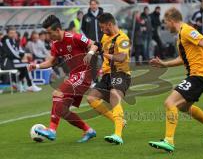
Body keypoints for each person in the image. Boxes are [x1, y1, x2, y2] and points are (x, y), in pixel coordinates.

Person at [148, 7, 203, 152]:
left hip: (199, 76)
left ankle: (169, 141)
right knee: (184, 107)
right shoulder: (181, 36)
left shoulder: (186, 31)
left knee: (170, 102)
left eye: (166, 22)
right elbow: (183, 59)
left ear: (171, 20)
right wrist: (165, 64)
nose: (165, 26)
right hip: (197, 76)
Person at [28, 15, 99, 143]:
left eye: (50, 33)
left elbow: (94, 44)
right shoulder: (55, 44)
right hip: (74, 76)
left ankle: (52, 130)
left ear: (58, 29)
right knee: (62, 110)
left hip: (84, 74)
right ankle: (88, 130)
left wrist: (90, 53)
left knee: (57, 93)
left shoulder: (74, 37)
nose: (49, 36)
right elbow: (51, 62)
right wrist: (37, 66)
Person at [86, 13, 131, 145]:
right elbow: (97, 44)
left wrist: (105, 54)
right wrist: (91, 52)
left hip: (120, 73)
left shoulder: (123, 38)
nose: (101, 30)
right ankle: (119, 121)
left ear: (109, 25)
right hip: (106, 75)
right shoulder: (105, 36)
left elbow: (122, 57)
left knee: (114, 95)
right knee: (91, 98)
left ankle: (118, 135)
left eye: (102, 27)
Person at [1, 27, 41, 92]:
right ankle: (30, 85)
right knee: (27, 66)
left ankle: (19, 82)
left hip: (14, 62)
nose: (13, 34)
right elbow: (12, 53)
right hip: (7, 63)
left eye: (14, 33)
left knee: (26, 66)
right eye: (11, 33)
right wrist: (21, 57)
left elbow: (20, 50)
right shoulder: (7, 40)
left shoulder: (15, 41)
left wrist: (26, 54)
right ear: (8, 33)